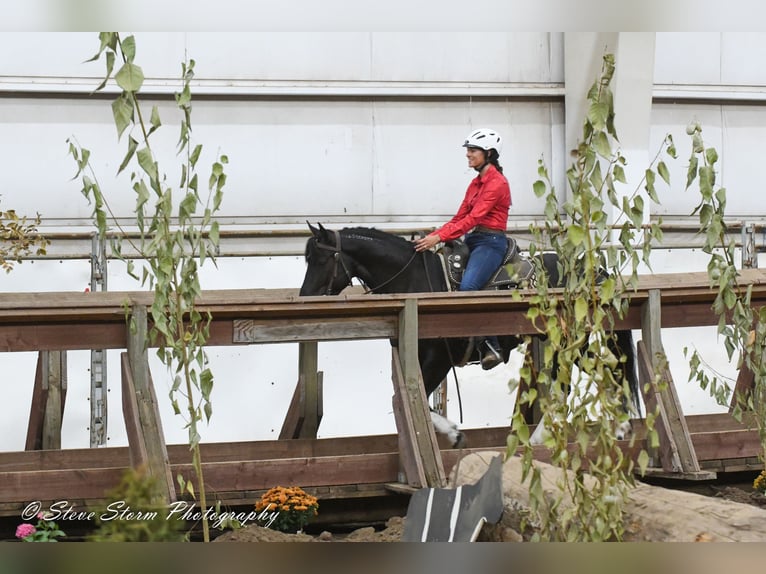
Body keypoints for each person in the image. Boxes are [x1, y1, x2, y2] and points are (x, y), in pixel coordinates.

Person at [413, 128, 511, 370]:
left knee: (468, 287)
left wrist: (439, 238)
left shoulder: (497, 183)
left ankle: (491, 344)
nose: (468, 154)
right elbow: (460, 217)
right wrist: (435, 235)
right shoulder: (475, 183)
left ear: (489, 153)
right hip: (472, 240)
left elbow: (474, 218)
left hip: (490, 242)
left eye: (473, 150)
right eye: (468, 150)